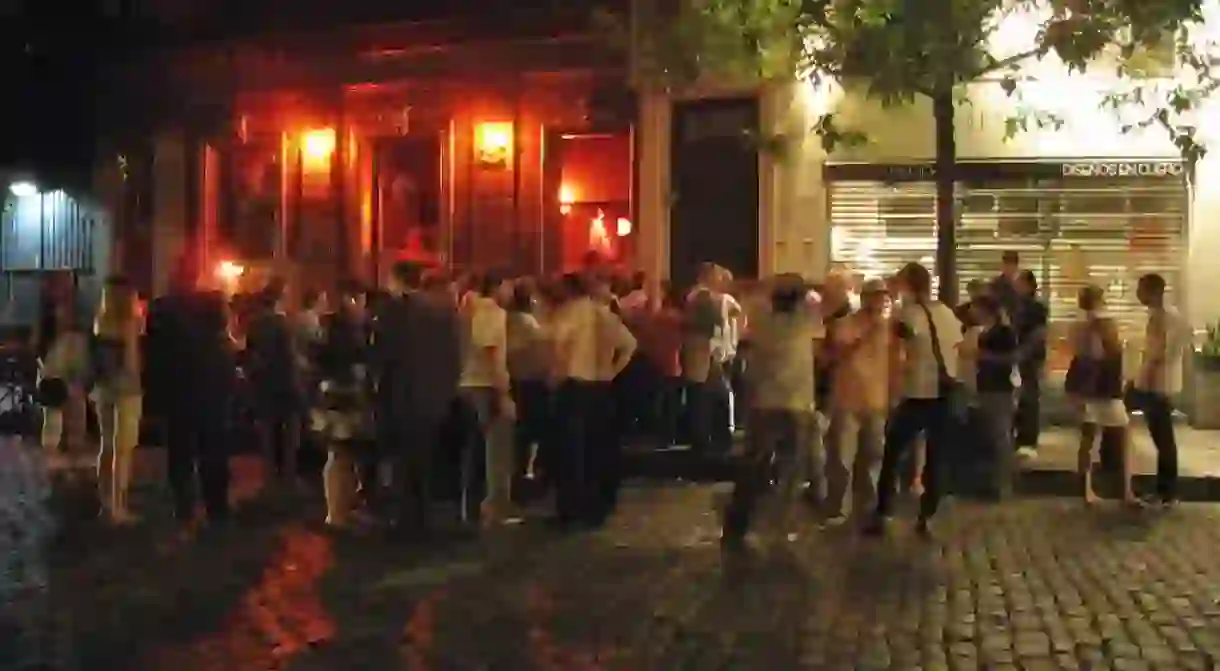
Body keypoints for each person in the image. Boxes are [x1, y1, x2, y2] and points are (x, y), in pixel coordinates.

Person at [722, 274, 822, 548]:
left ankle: (738, 525)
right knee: (791, 469)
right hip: (797, 404)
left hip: (764, 403)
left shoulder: (761, 321)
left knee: (754, 467)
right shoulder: (806, 321)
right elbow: (820, 299)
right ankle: (781, 525)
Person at [865, 262, 962, 538]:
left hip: (918, 393)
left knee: (892, 452)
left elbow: (896, 345)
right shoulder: (945, 312)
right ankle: (926, 517)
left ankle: (883, 512)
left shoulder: (908, 315)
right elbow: (957, 345)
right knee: (936, 457)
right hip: (944, 393)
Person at [372, 261, 462, 535]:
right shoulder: (445, 311)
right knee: (425, 458)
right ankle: (424, 516)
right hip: (435, 395)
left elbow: (384, 355)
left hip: (403, 394)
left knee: (403, 460)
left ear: (397, 280)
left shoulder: (397, 309)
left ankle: (405, 520)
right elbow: (453, 355)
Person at [146, 266, 236, 524]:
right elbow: (223, 335)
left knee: (180, 452)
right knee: (213, 449)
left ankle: (184, 507)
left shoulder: (161, 309)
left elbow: (154, 354)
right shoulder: (212, 303)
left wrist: (154, 394)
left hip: (177, 389)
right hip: (211, 387)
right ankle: (216, 507)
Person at [1066, 285, 1138, 506]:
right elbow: (1111, 352)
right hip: (1105, 387)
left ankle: (1086, 489)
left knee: (1087, 438)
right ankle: (1126, 491)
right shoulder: (1105, 323)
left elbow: (1078, 354)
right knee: (1124, 437)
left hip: (1081, 384)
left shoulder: (1077, 325)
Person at [825, 278, 889, 526]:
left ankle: (869, 508)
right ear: (865, 298)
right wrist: (865, 334)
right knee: (842, 457)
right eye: (875, 296)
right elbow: (838, 354)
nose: (880, 301)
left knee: (874, 456)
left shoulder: (889, 327)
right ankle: (840, 508)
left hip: (876, 399)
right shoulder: (845, 324)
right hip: (847, 398)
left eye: (883, 297)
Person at [457, 270, 517, 527]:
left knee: (472, 451)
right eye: (508, 286)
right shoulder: (492, 312)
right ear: (496, 286)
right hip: (485, 385)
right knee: (495, 451)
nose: (510, 292)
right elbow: (491, 350)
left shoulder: (464, 310)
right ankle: (494, 507)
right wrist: (504, 393)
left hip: (464, 383)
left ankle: (469, 509)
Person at [314, 281, 372, 527]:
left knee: (342, 454)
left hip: (332, 393)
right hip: (343, 395)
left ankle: (341, 509)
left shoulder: (329, 328)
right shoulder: (346, 330)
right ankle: (336, 512)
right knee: (340, 453)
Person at [1130, 273, 1187, 506]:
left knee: (1163, 438)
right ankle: (1163, 490)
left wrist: (1146, 380)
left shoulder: (1168, 317)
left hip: (1159, 386)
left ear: (1154, 291)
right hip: (1150, 384)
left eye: (1141, 289)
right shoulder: (1157, 316)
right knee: (1160, 437)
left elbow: (1165, 354)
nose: (1138, 294)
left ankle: (1168, 491)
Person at [92, 275, 144, 524]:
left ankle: (104, 502)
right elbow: (132, 363)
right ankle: (119, 506)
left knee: (106, 446)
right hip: (127, 390)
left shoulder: (100, 321)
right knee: (124, 449)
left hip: (104, 389)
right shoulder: (130, 322)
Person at [245, 282, 306, 488]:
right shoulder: (283, 325)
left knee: (268, 436)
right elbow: (289, 359)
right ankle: (288, 478)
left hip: (264, 386)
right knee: (290, 436)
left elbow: (250, 355)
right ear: (280, 298)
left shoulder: (254, 324)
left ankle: (269, 478)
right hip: (285, 387)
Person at [967, 294, 1019, 500]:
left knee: (1000, 437)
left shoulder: (1004, 332)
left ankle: (1002, 484)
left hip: (999, 388)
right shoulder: (985, 332)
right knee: (991, 436)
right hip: (986, 386)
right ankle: (992, 482)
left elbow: (1011, 359)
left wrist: (984, 356)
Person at [1012, 270, 1048, 459]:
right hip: (1020, 356)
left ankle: (1028, 438)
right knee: (1022, 396)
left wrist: (1023, 351)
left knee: (1030, 395)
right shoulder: (1019, 306)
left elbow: (1039, 333)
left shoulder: (1036, 307)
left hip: (1030, 357)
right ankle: (1021, 435)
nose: (1016, 286)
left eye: (1019, 283)